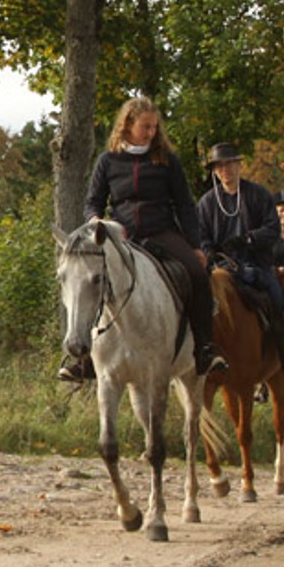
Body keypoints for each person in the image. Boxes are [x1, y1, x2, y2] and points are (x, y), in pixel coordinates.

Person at [62, 97, 227, 382]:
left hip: (161, 232)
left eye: (154, 127)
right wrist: (95, 221)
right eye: (145, 127)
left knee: (198, 275)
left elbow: (185, 205)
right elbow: (93, 202)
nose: (151, 133)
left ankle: (204, 349)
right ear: (128, 124)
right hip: (121, 237)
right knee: (90, 282)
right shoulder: (108, 161)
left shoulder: (167, 160)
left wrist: (195, 245)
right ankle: (85, 360)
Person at [196, 141, 284, 371]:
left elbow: (272, 229)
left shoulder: (258, 195)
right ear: (214, 171)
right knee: (197, 298)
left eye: (229, 165)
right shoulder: (206, 203)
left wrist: (249, 239)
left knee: (277, 295)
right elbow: (200, 235)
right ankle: (201, 355)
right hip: (221, 266)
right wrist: (208, 251)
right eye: (219, 167)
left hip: (256, 263)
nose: (225, 171)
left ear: (238, 166)